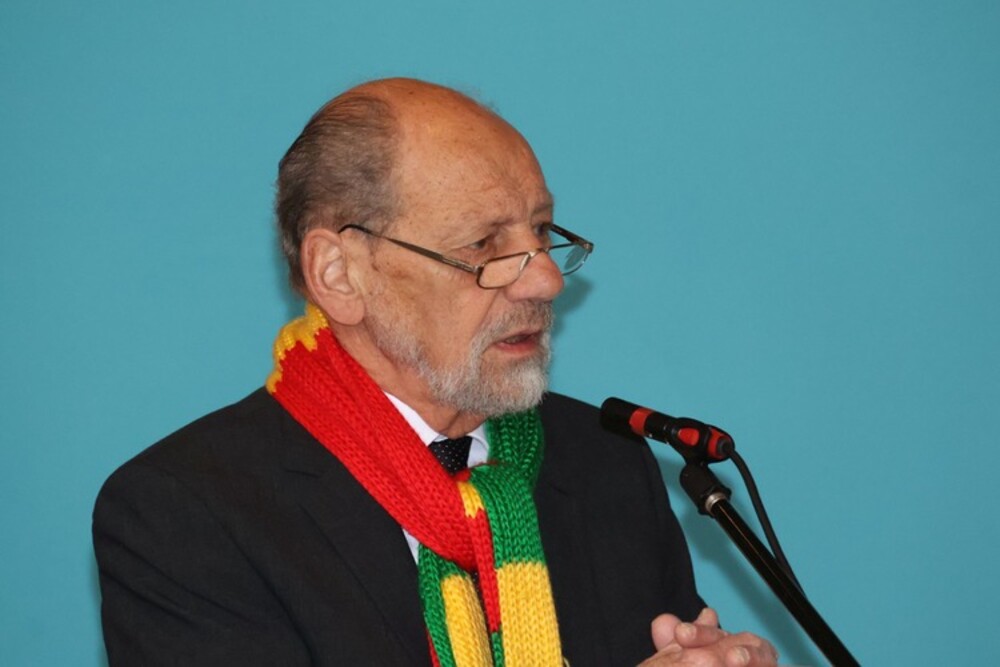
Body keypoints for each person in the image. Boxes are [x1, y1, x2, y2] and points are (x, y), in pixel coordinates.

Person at [93, 78, 778, 666]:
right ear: (339, 274)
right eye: (483, 244)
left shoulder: (607, 462)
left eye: (542, 232)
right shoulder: (188, 513)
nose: (544, 279)